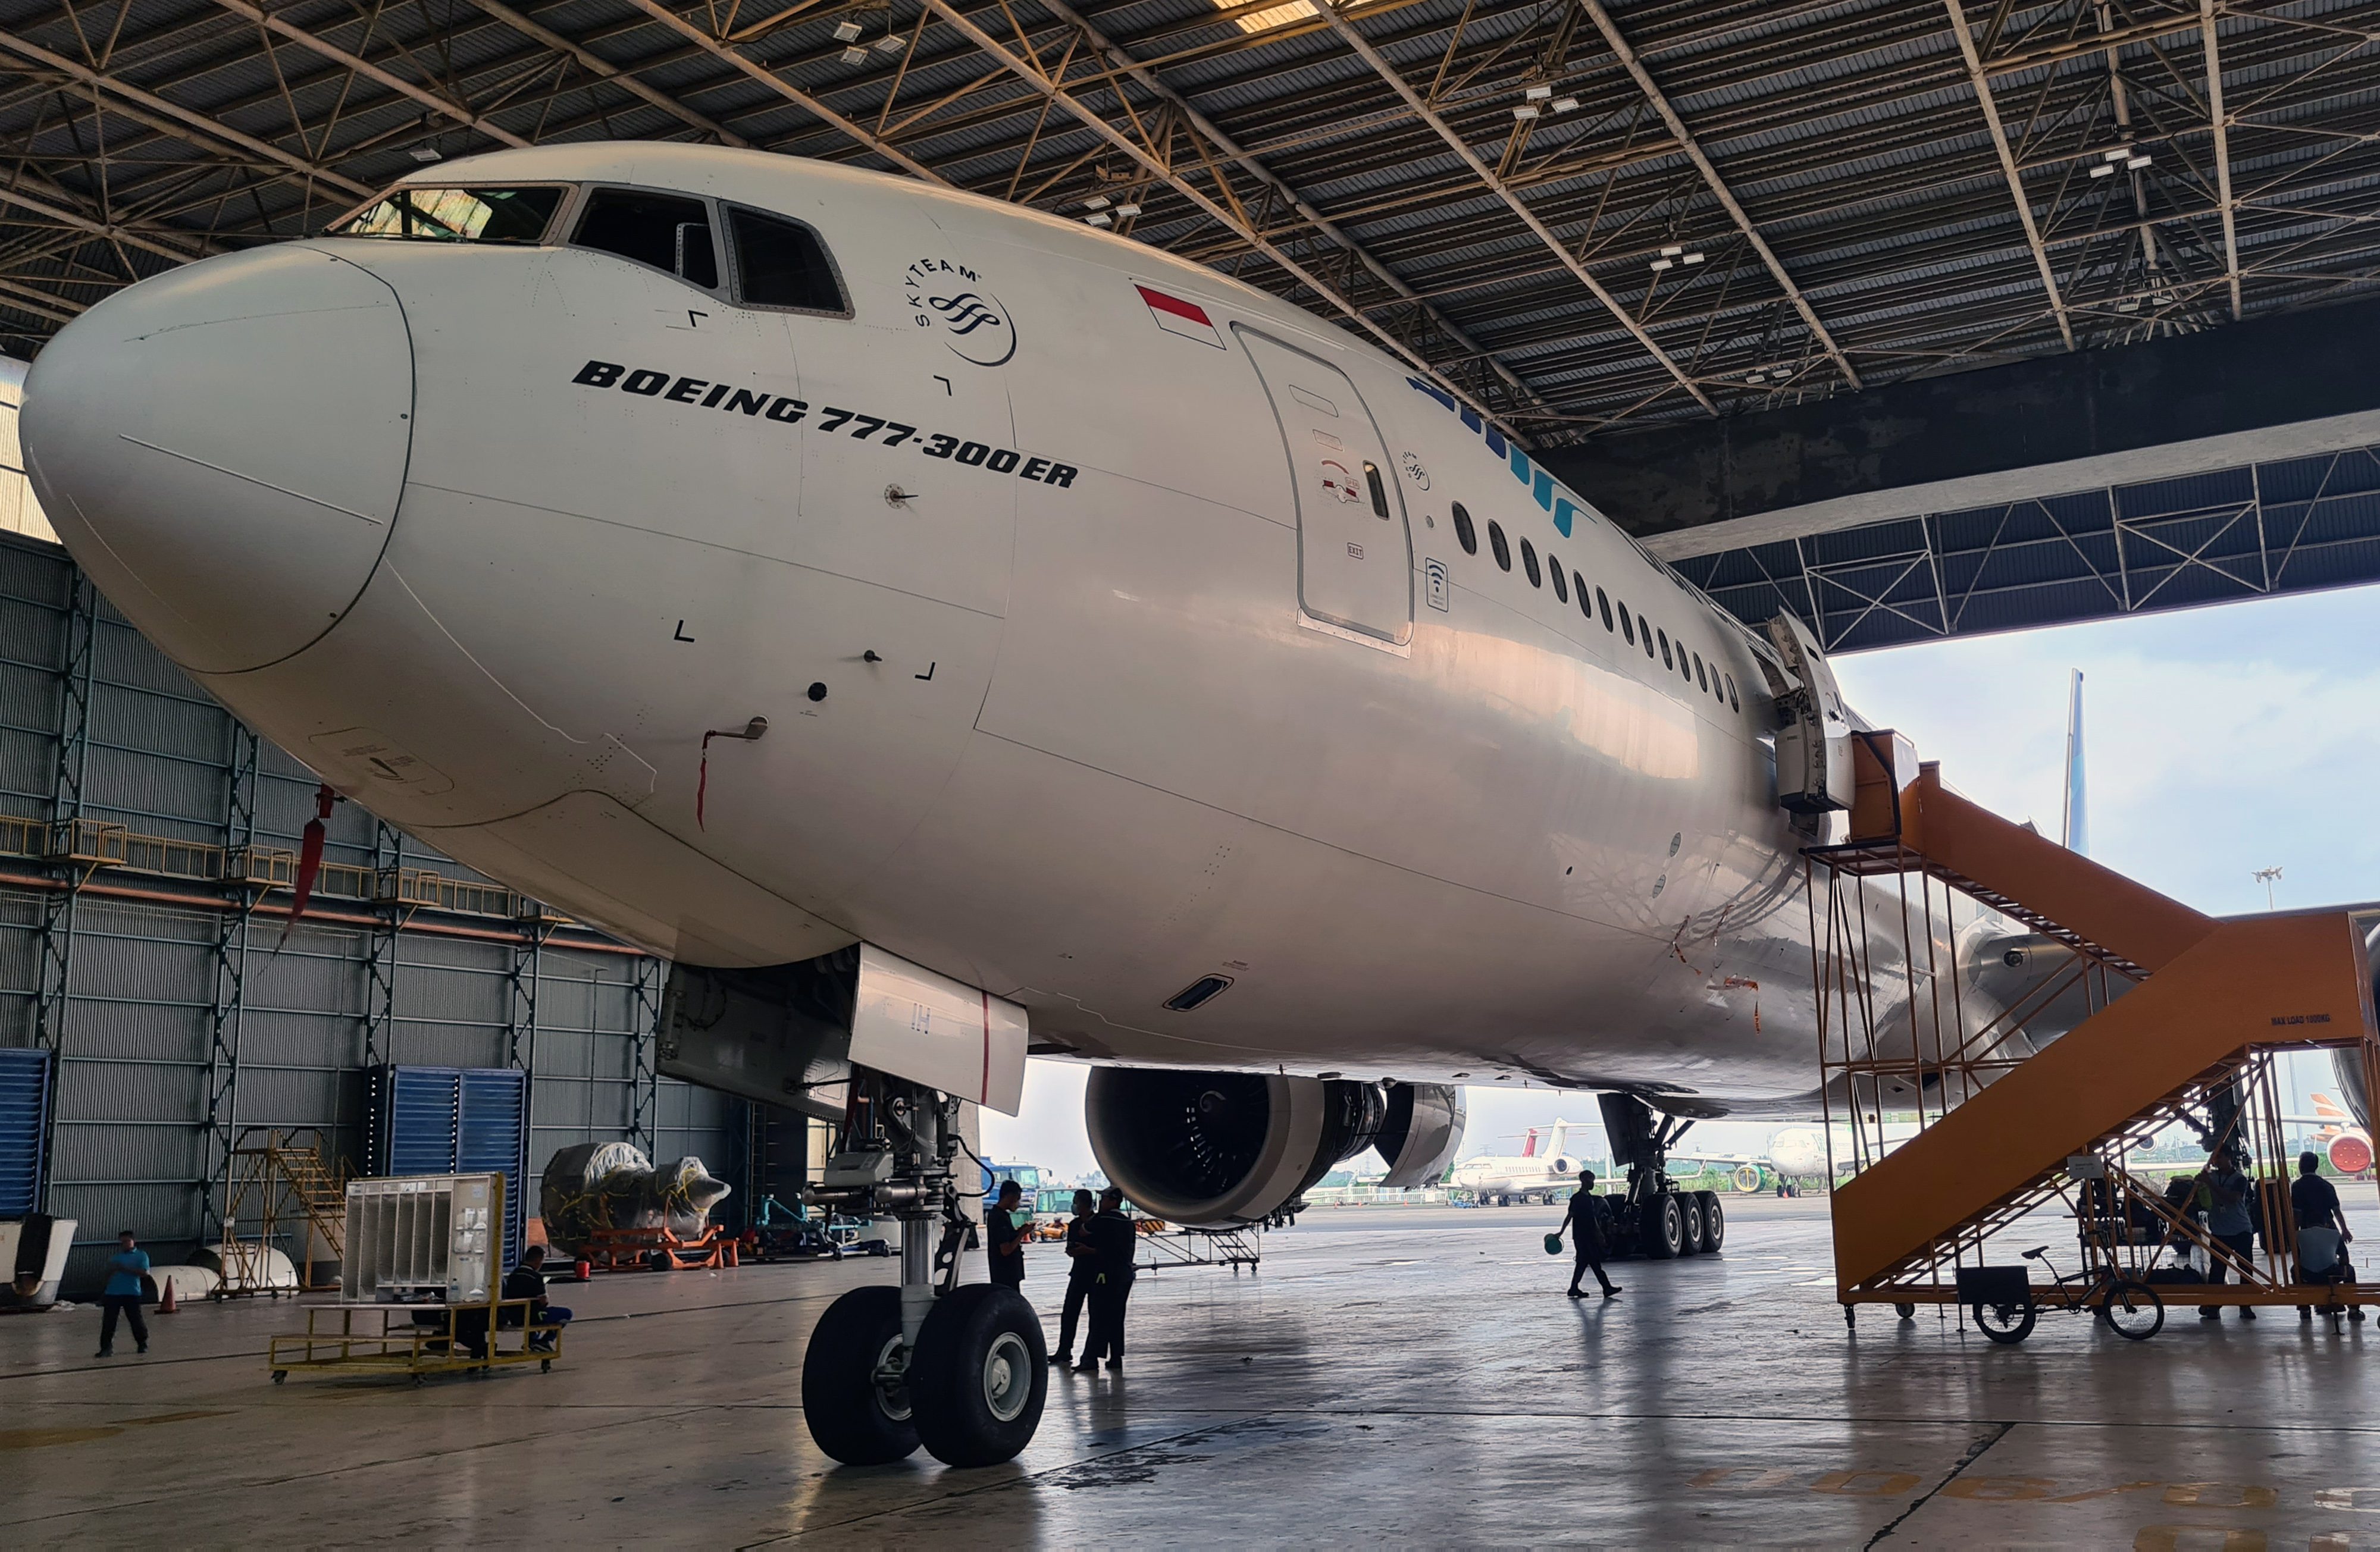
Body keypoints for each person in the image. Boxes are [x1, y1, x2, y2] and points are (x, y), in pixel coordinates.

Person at [2292, 1150, 2363, 1322]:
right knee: (2335, 1260)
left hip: (2307, 1228)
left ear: (2302, 1166)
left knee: (2302, 1263)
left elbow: (2298, 1213)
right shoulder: (2326, 1185)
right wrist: (2344, 1230)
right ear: (2316, 1166)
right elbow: (2336, 1211)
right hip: (2329, 1227)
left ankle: (2305, 1308)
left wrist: (2293, 1233)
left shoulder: (2298, 1186)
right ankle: (2352, 1308)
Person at [1080, 1187, 1137, 1372]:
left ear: (1113, 1201)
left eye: (1104, 1199)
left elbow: (1084, 1232)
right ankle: (1116, 1357)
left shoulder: (1102, 1219)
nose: (1101, 1203)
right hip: (1125, 1275)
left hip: (1106, 1274)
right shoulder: (1128, 1223)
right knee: (1117, 1316)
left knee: (1099, 1316)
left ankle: (1090, 1358)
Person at [2201, 1146, 2257, 1321]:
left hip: (2240, 1229)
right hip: (2219, 1231)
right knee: (2217, 1271)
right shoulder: (2211, 1176)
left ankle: (2245, 1305)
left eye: (2220, 1157)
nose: (2217, 1161)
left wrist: (2210, 1184)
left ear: (2230, 1158)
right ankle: (2214, 1306)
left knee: (2245, 1270)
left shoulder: (2239, 1179)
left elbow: (2233, 1198)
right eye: (2214, 1157)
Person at [1053, 1189, 1098, 1365]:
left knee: (1095, 1315)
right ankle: (1064, 1350)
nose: (1074, 1205)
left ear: (1084, 1203)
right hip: (1078, 1273)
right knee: (1069, 1313)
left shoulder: (1098, 1223)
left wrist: (1087, 1251)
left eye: (1076, 1201)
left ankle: (1090, 1354)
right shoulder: (1074, 1224)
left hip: (1095, 1274)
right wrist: (1072, 1251)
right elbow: (1070, 1246)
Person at [1558, 1174, 1621, 1299]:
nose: (1593, 1183)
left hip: (1589, 1236)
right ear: (1584, 1181)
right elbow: (1570, 1216)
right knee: (1593, 1262)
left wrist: (1599, 1233)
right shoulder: (1577, 1199)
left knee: (1585, 1263)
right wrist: (1561, 1233)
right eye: (1591, 1180)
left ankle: (1575, 1288)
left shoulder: (1590, 1199)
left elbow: (1593, 1219)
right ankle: (1605, 1288)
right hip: (1582, 1237)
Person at [501, 1244, 572, 1353]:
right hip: (530, 1317)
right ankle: (544, 1341)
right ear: (538, 1260)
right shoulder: (536, 1277)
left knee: (536, 1312)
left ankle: (533, 1341)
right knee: (565, 1313)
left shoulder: (513, 1276)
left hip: (514, 1317)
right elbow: (544, 1302)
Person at [94, 1229, 149, 1358]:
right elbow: (107, 1274)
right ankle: (106, 1348)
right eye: (123, 1242)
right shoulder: (116, 1258)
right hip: (113, 1293)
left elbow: (145, 1273)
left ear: (133, 1241)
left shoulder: (141, 1256)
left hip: (131, 1293)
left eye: (127, 1241)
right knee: (109, 1322)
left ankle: (142, 1343)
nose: (125, 1244)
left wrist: (125, 1269)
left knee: (136, 1320)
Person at [985, 1180, 1028, 1290]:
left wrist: (1020, 1231)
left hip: (1005, 1273)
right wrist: (1022, 1234)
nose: (1018, 1202)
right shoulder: (999, 1218)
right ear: (1010, 1196)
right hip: (1006, 1274)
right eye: (1017, 1198)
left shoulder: (1000, 1215)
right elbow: (1006, 1250)